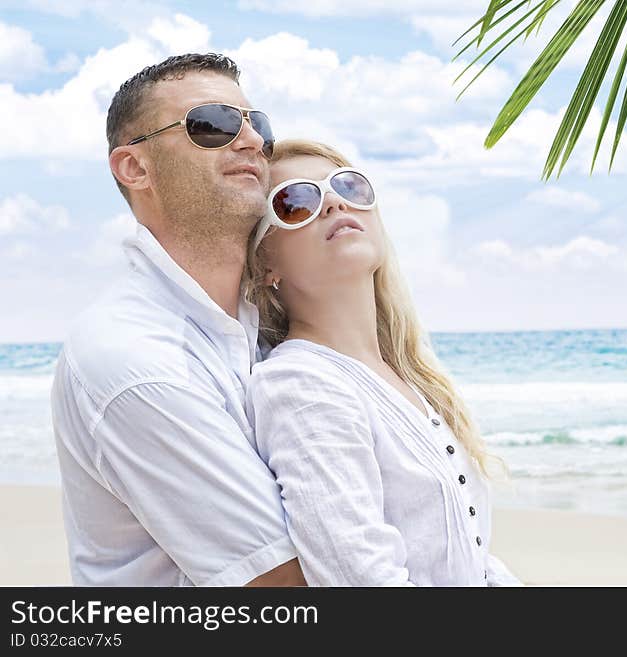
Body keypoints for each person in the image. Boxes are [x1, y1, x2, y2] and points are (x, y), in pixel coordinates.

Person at [50, 53, 305, 586]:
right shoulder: (133, 357)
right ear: (134, 167)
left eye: (257, 124)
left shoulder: (273, 325)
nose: (252, 141)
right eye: (212, 125)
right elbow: (283, 584)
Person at [244, 140, 522, 586]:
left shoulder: (414, 378)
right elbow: (362, 578)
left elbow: (475, 559)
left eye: (349, 187)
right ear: (265, 261)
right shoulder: (299, 384)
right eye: (296, 201)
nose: (334, 202)